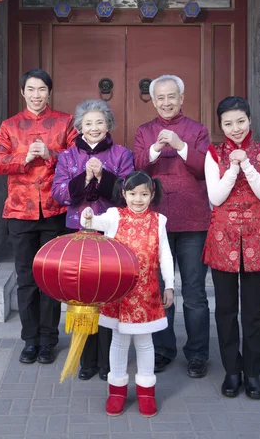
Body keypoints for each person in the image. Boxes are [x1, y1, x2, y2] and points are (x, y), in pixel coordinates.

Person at [0, 68, 77, 365]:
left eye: (42, 90)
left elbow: (79, 157)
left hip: (54, 209)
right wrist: (22, 157)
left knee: (49, 278)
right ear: (23, 92)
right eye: (31, 89)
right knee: (26, 278)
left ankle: (49, 340)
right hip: (20, 210)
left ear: (49, 92)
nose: (36, 95)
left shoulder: (65, 122)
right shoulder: (10, 126)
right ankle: (30, 340)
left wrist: (52, 152)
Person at [202, 96, 260, 400]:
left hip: (257, 238)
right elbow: (217, 197)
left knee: (253, 312)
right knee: (224, 309)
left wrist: (245, 162)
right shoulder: (213, 152)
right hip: (222, 238)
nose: (235, 128)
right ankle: (231, 372)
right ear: (220, 125)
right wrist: (232, 167)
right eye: (228, 123)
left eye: (241, 121)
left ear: (250, 120)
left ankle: (253, 373)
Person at [133, 74, 210, 378]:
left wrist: (180, 146)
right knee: (159, 290)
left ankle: (197, 354)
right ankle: (163, 349)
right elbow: (137, 167)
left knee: (194, 292)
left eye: (171, 96)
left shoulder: (198, 130)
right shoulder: (144, 131)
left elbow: (205, 168)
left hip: (193, 221)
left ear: (181, 98)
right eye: (160, 98)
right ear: (153, 101)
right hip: (156, 222)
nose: (166, 102)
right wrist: (153, 150)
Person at [52, 99, 134, 381]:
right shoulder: (68, 157)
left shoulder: (122, 154)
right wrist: (85, 177)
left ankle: (106, 361)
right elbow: (59, 194)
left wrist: (103, 175)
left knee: (108, 295)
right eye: (88, 123)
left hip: (111, 233)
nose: (94, 128)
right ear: (79, 128)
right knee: (83, 295)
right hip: (80, 233)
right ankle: (85, 360)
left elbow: (126, 193)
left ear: (108, 124)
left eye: (100, 122)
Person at [81, 171, 174, 418]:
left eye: (144, 194)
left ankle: (146, 393)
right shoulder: (114, 216)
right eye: (133, 194)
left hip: (147, 292)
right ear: (124, 194)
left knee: (145, 342)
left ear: (152, 194)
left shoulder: (159, 221)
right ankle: (117, 392)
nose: (138, 199)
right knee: (119, 341)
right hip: (119, 292)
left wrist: (170, 284)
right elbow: (91, 223)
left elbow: (165, 254)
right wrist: (87, 215)